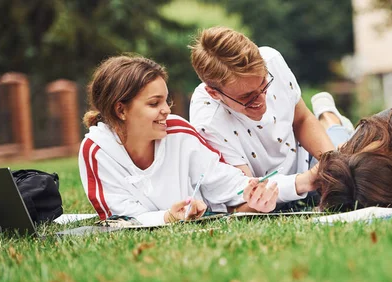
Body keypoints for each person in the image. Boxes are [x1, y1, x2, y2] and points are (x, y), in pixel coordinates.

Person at [79, 55, 278, 225]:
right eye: (154, 103)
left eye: (166, 100)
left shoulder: (178, 131)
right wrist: (167, 217)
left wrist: (255, 197)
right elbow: (119, 219)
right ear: (121, 110)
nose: (166, 110)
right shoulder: (96, 150)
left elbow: (228, 184)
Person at [188, 27, 342, 207]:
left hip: (306, 159)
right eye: (247, 96)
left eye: (263, 83)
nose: (262, 99)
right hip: (280, 191)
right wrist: (303, 182)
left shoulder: (272, 59)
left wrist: (332, 163)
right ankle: (329, 118)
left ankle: (329, 117)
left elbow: (301, 119)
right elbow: (248, 192)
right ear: (214, 93)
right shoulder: (208, 122)